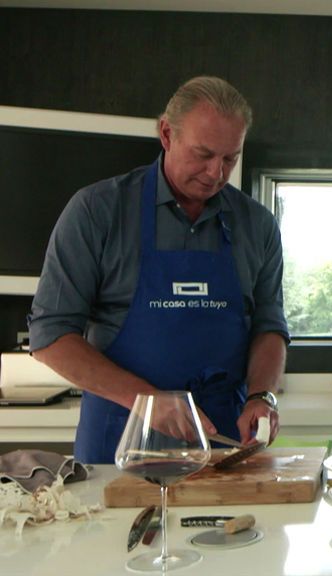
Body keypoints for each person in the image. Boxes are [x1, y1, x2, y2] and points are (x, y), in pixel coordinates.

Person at [27, 76, 289, 463]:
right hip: (119, 441)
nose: (217, 173)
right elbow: (49, 335)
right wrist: (147, 401)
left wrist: (261, 395)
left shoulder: (257, 225)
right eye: (203, 154)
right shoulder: (97, 212)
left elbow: (269, 325)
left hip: (224, 442)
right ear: (166, 134)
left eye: (230, 158)